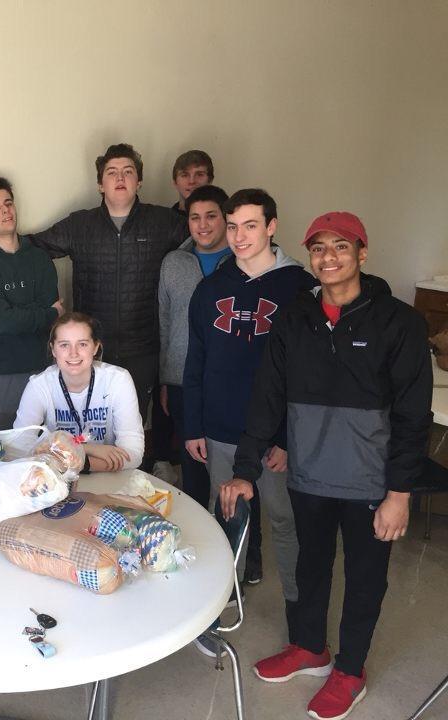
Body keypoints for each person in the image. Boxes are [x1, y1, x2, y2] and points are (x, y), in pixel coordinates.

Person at [220, 212, 432, 720]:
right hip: (309, 474)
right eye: (318, 248)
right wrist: (246, 469)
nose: (328, 257)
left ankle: (350, 671)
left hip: (370, 481)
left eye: (341, 246)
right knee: (310, 566)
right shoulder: (295, 318)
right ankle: (309, 647)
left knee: (364, 578)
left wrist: (400, 492)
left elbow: (412, 415)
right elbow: (268, 398)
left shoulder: (399, 322)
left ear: (362, 253)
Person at [0, 145, 187, 440]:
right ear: (100, 184)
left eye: (128, 172)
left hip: (141, 347)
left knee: (130, 432)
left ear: (139, 181)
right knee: (83, 431)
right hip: (86, 348)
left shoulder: (163, 222)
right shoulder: (80, 225)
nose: (120, 178)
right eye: (112, 172)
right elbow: (30, 244)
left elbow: (204, 236)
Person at [183, 189, 317, 654]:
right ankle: (224, 599)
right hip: (220, 426)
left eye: (251, 226)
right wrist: (193, 425)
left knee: (283, 519)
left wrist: (288, 438)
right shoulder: (210, 289)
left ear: (272, 227)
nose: (239, 236)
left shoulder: (299, 288)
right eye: (233, 226)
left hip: (275, 434)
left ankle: (301, 614)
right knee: (227, 516)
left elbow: (308, 373)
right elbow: (196, 361)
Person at [0, 176, 63, 432]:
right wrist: (41, 313)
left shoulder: (39, 258)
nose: (5, 211)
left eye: (8, 203)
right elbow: (11, 320)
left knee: (46, 447)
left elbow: (49, 315)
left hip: (43, 368)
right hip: (0, 373)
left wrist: (5, 318)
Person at [158, 184, 231, 508]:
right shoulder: (173, 262)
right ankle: (201, 530)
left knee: (230, 469)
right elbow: (164, 321)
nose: (202, 225)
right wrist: (165, 378)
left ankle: (236, 534)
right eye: (194, 217)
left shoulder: (243, 262)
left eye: (211, 216)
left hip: (228, 380)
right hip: (181, 380)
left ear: (226, 218)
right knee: (193, 467)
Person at [14, 312, 144, 472]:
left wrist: (82, 463)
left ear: (95, 347)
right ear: (53, 349)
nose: (73, 353)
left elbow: (133, 454)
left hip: (108, 475)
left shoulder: (118, 380)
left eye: (82, 344)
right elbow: (19, 448)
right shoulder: (39, 385)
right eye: (64, 345)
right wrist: (87, 449)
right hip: (56, 479)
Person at [170, 149, 214, 214]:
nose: (192, 181)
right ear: (175, 182)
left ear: (210, 180)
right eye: (185, 175)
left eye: (199, 174)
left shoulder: (225, 217)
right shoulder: (165, 219)